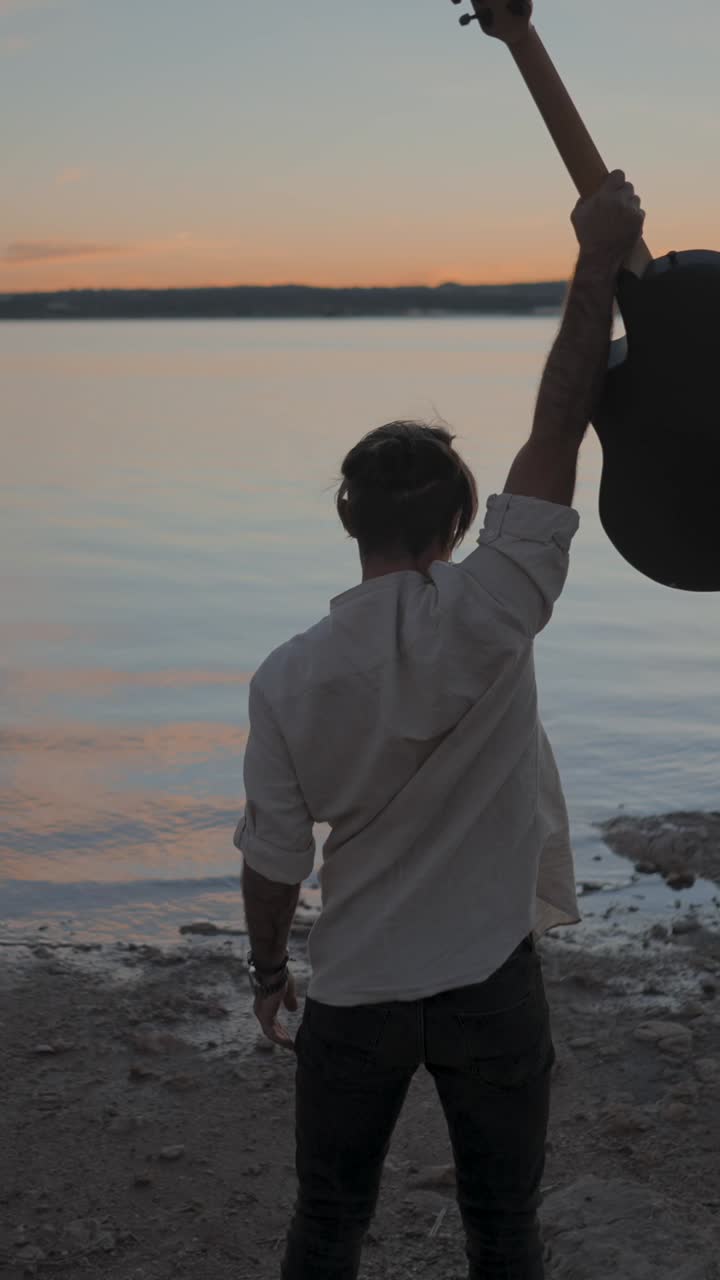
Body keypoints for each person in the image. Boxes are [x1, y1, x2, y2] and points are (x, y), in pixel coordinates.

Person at [235, 170, 645, 1280]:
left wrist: (268, 970)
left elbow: (274, 858)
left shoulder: (287, 678)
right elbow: (561, 418)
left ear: (349, 523)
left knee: (328, 1220)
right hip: (487, 980)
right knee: (503, 1224)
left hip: (358, 984)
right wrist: (597, 257)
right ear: (463, 520)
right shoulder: (497, 604)